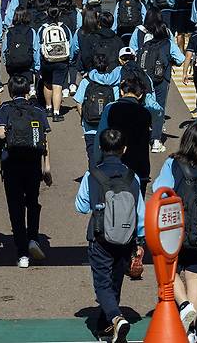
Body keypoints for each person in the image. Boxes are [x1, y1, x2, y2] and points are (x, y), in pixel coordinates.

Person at [152, 122, 197, 343]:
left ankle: (183, 305)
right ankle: (191, 331)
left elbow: (159, 189)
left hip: (176, 228)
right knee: (195, 275)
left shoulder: (174, 163)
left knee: (168, 271)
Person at [75, 129, 146, 342]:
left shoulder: (92, 174)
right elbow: (140, 212)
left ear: (100, 148)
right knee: (115, 281)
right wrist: (140, 241)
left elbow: (80, 206)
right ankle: (106, 327)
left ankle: (115, 318)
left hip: (100, 236)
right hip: (127, 237)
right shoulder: (132, 176)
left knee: (102, 283)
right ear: (124, 149)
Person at [0, 75, 52, 268]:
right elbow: (44, 140)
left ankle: (22, 253)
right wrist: (46, 166)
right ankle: (33, 238)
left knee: (15, 208)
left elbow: (1, 133)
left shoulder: (6, 109)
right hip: (33, 162)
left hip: (11, 164)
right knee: (32, 202)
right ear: (27, 91)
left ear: (10, 91)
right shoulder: (37, 110)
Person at [134, 9, 185, 153]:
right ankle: (156, 141)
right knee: (159, 108)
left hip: (144, 77)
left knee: (143, 104)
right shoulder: (167, 42)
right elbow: (180, 59)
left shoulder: (141, 36)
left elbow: (133, 52)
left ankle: (141, 136)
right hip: (162, 78)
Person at [94, 77, 152, 197]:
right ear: (140, 95)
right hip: (139, 167)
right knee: (135, 206)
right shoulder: (145, 113)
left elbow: (101, 136)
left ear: (121, 91)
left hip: (113, 165)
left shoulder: (111, 109)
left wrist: (97, 161)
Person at [73, 54, 121, 169]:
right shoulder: (112, 82)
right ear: (107, 66)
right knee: (108, 154)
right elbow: (115, 104)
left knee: (92, 155)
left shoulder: (86, 81)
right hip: (107, 127)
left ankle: (93, 179)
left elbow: (79, 102)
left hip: (90, 127)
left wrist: (84, 118)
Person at [38, 6, 73, 122]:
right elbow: (70, 44)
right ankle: (56, 113)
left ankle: (48, 107)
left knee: (47, 84)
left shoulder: (42, 28)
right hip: (62, 60)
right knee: (57, 86)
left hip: (47, 60)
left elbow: (39, 45)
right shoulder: (64, 28)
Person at [2, 7, 41, 88]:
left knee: (14, 87)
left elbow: (4, 50)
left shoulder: (9, 32)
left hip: (12, 65)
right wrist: (37, 66)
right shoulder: (31, 31)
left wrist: (7, 63)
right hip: (27, 65)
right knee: (26, 87)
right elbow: (36, 50)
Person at [57, 0, 83, 97]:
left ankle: (64, 88)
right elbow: (79, 27)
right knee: (73, 64)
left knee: (62, 64)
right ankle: (73, 84)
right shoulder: (76, 12)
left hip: (60, 41)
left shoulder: (58, 12)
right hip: (73, 40)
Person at [70, 8, 100, 76]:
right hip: (97, 65)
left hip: (82, 64)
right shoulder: (99, 32)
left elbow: (75, 49)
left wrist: (72, 60)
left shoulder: (79, 32)